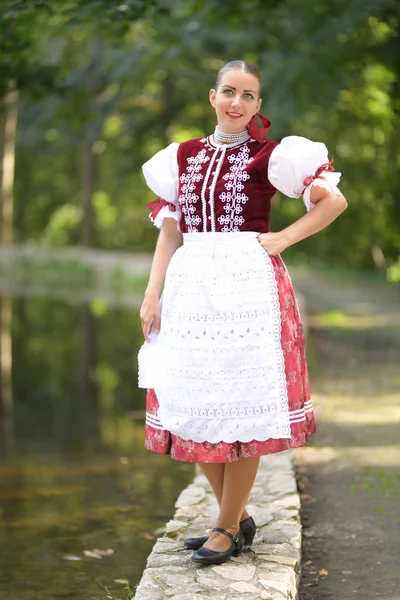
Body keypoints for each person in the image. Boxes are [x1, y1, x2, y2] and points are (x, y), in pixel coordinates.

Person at [138, 60, 347, 566]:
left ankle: (227, 526)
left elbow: (332, 201)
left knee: (241, 401)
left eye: (247, 96)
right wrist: (152, 293)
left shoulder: (273, 157)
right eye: (228, 92)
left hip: (248, 288)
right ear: (213, 97)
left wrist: (283, 238)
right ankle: (237, 518)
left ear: (258, 105)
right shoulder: (181, 157)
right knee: (190, 400)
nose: (236, 103)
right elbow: (171, 230)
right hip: (190, 291)